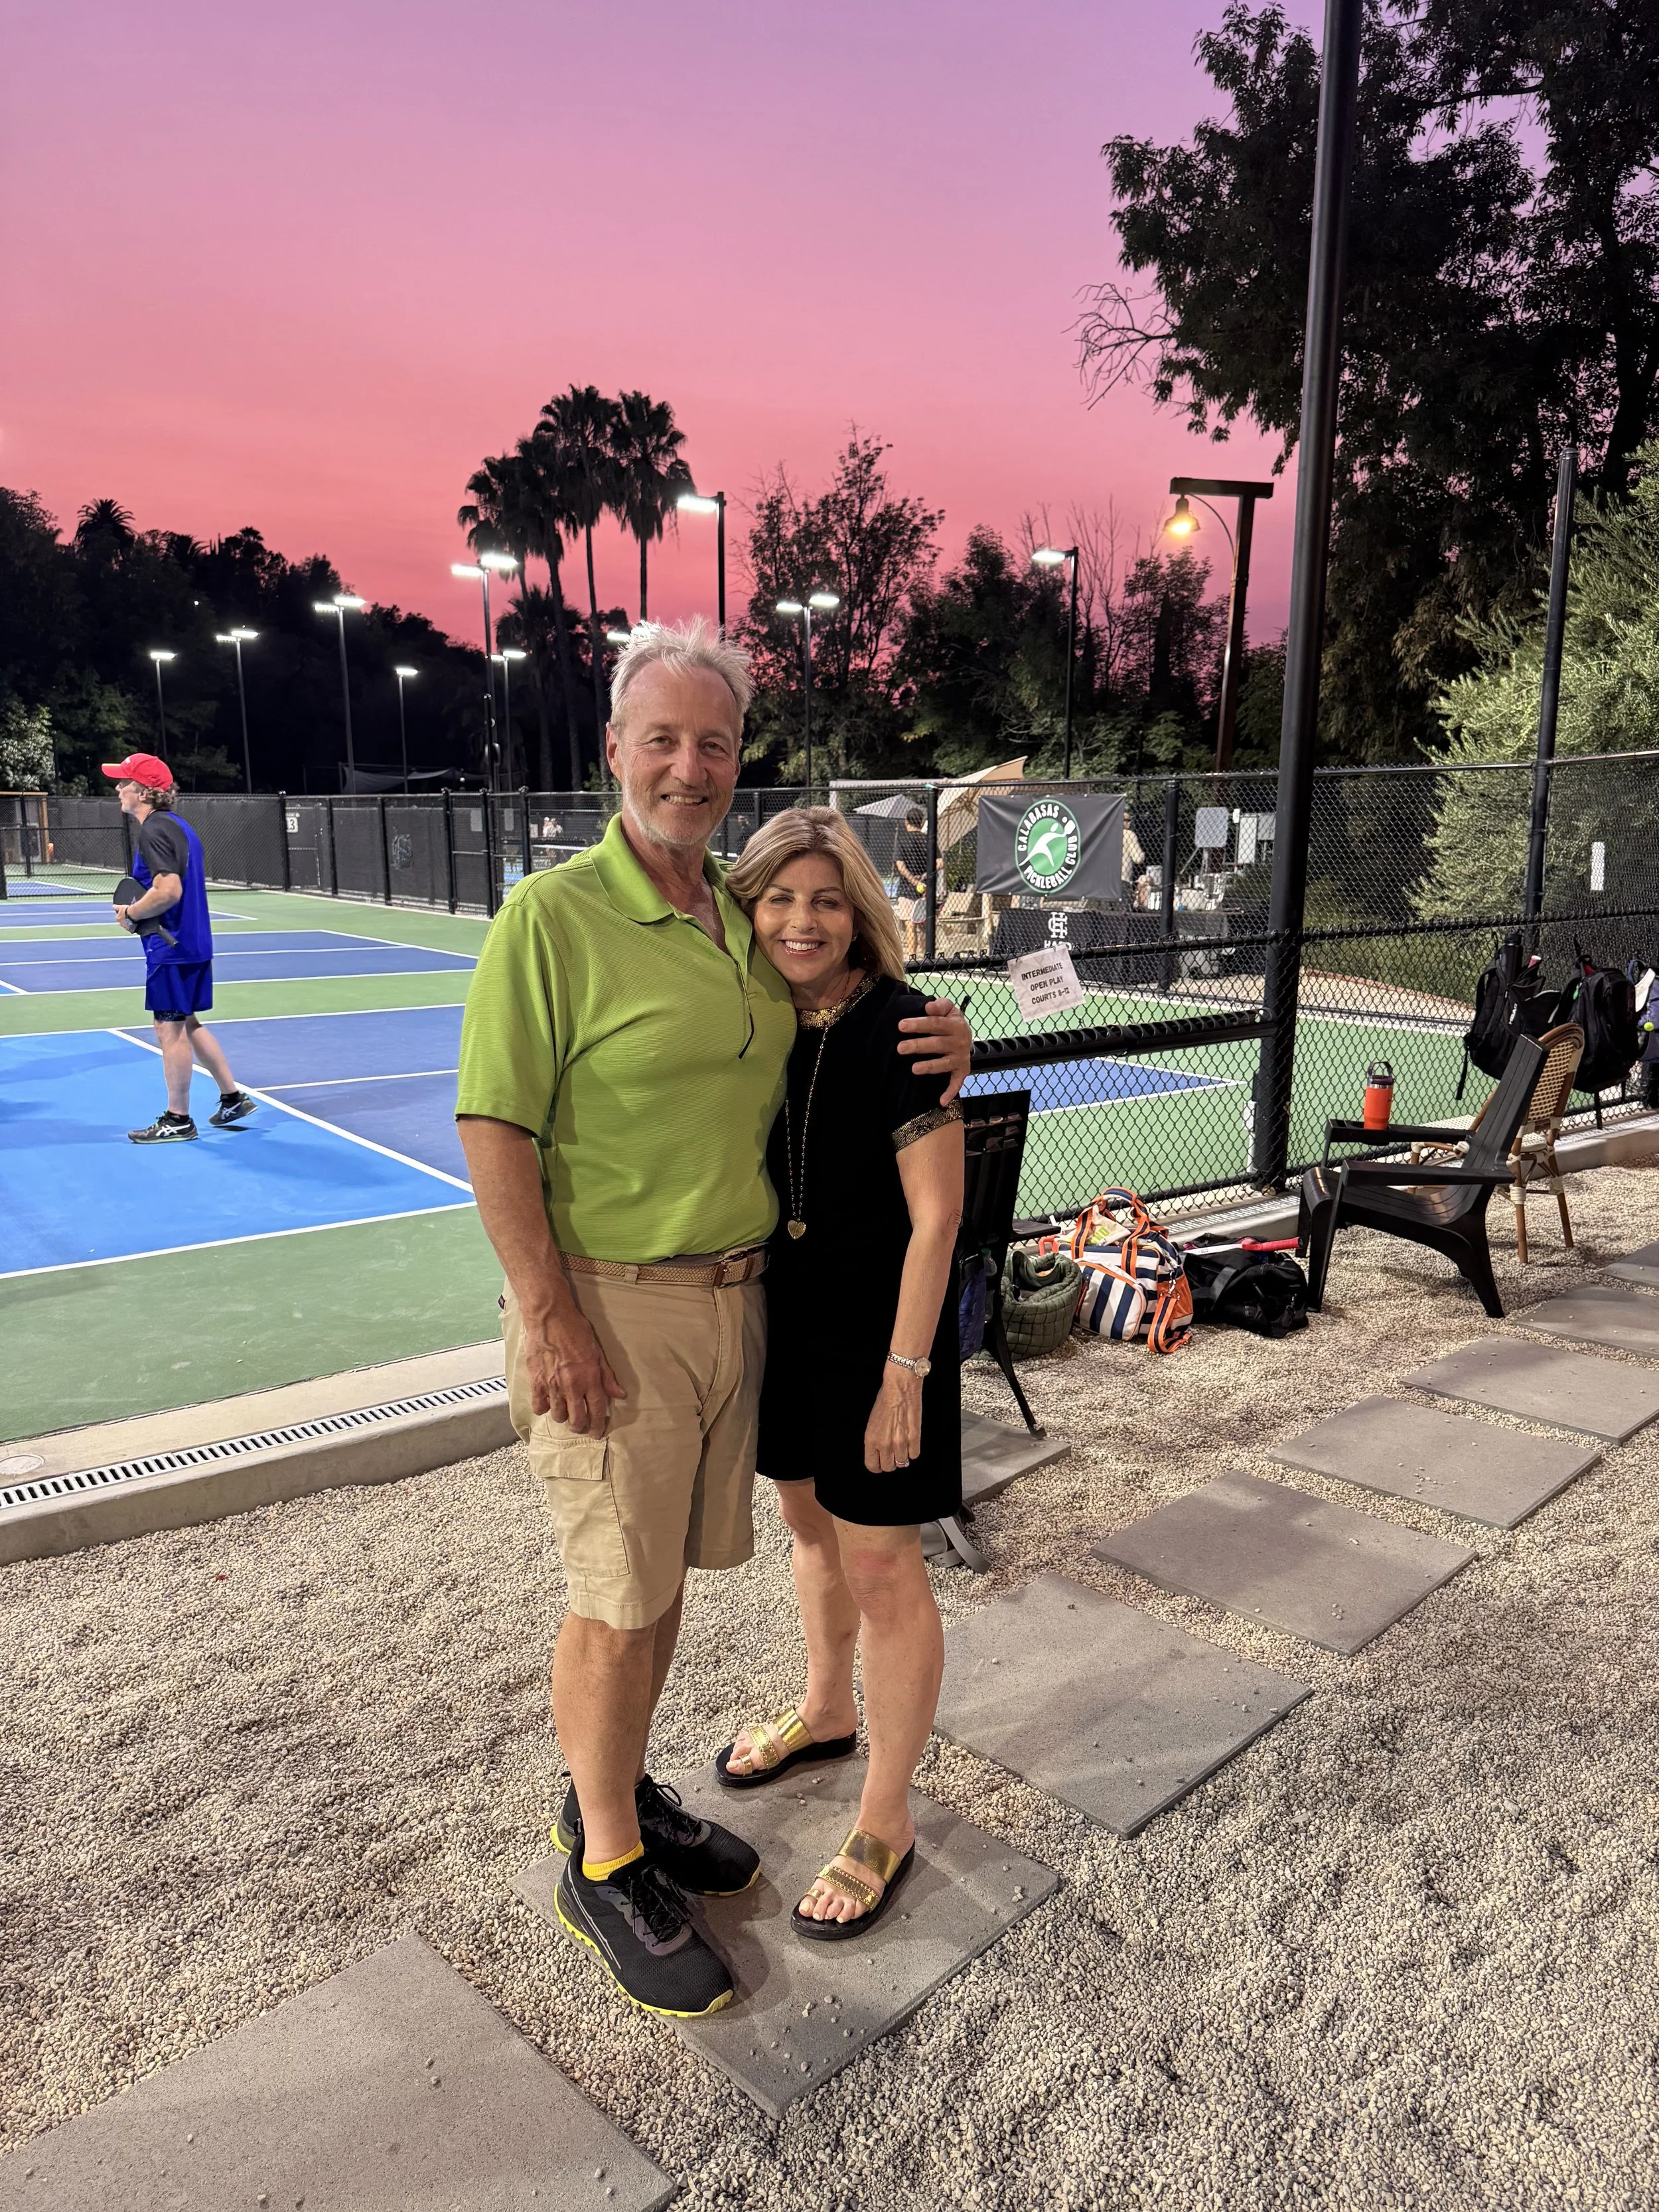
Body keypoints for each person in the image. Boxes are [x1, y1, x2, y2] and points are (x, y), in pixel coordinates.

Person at [453, 619, 971, 2019]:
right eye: (661, 739)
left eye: (714, 744)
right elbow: (493, 1123)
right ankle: (605, 1857)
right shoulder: (550, 918)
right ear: (614, 747)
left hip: (746, 1313)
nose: (687, 767)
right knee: (616, 1597)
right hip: (610, 1312)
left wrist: (939, 1030)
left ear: (736, 764)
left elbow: (855, 1008)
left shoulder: (736, 934)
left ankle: (626, 1794)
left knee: (666, 1584)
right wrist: (547, 1312)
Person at [715, 810, 964, 1939]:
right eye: (779, 898)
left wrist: (905, 1373)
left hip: (879, 1334)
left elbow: (938, 1215)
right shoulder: (752, 1020)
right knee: (809, 1530)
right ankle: (824, 1709)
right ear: (750, 906)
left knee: (882, 1564)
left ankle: (885, 1816)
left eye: (824, 898)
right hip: (787, 1318)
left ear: (857, 908)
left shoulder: (909, 1025)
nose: (801, 920)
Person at [104, 753, 257, 1145]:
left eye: (124, 782)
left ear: (143, 791)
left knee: (168, 1028)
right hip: (194, 944)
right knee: (187, 1020)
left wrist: (132, 914)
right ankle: (232, 1097)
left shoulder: (153, 829)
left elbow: (169, 890)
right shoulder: (180, 827)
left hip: (172, 950)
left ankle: (178, 1119)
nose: (118, 789)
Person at [892, 802, 931, 956]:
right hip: (926, 889)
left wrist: (915, 882)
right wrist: (923, 878)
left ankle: (912, 956)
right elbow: (939, 863)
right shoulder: (929, 840)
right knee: (923, 923)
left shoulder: (901, 840)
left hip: (907, 889)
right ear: (921, 823)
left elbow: (901, 867)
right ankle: (926, 955)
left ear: (906, 822)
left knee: (910, 923)